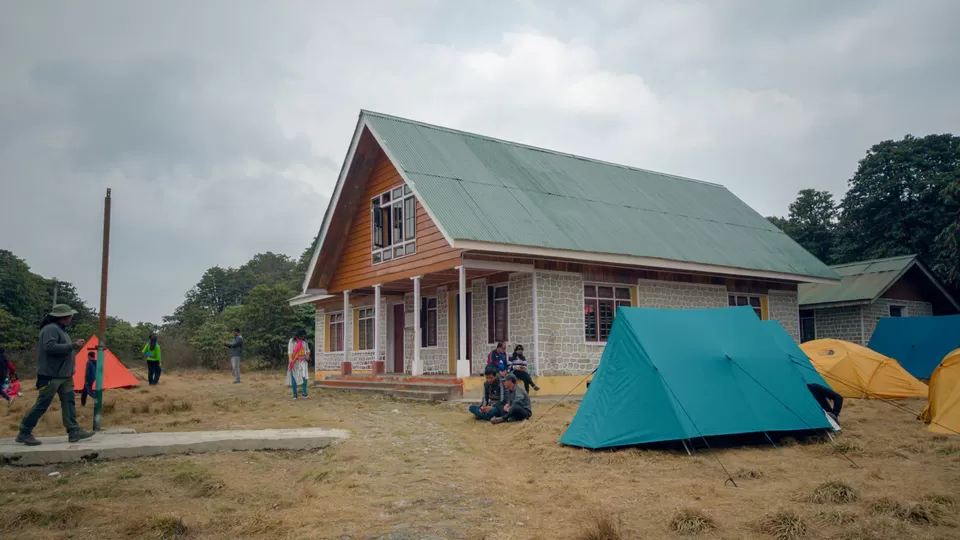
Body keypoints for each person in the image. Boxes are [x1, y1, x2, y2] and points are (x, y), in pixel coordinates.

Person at [16, 304, 95, 446]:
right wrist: (73, 345)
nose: (72, 317)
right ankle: (24, 431)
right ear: (63, 317)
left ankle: (74, 431)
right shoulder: (50, 329)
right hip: (51, 375)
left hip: (64, 375)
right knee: (43, 404)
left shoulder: (61, 330)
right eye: (70, 315)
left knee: (69, 402)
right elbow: (50, 347)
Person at [286, 329, 311, 400]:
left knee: (305, 377)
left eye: (304, 336)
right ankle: (295, 394)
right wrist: (290, 359)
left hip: (303, 361)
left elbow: (308, 350)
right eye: (302, 336)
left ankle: (304, 393)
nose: (303, 337)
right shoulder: (292, 341)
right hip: (294, 361)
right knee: (294, 377)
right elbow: (290, 351)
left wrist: (307, 355)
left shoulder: (304, 342)